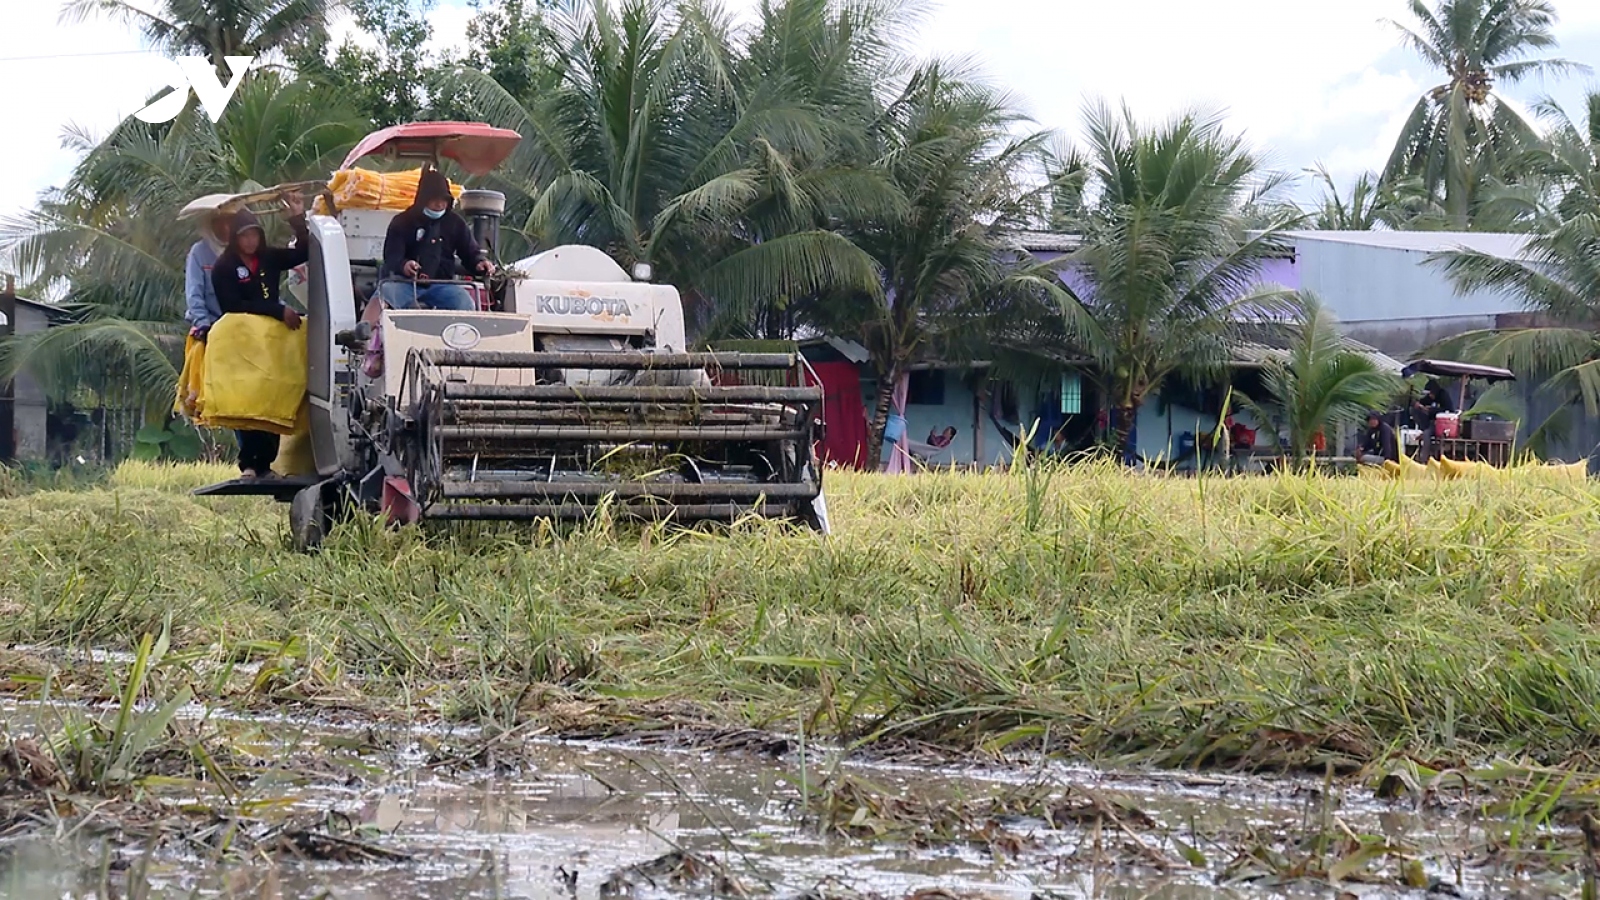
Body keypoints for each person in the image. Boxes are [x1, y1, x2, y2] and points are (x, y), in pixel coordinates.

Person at [211, 192, 309, 478]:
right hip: (241, 342)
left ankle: (266, 463)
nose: (251, 241)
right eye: (245, 236)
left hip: (270, 343)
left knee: (273, 396)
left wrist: (297, 219)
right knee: (247, 399)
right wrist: (277, 311)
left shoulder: (268, 257)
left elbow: (302, 253)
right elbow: (232, 306)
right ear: (235, 239)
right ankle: (249, 463)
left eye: (255, 235)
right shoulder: (224, 267)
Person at [379, 167, 495, 311]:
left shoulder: (455, 223)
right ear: (423, 200)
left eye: (444, 200)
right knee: (387, 295)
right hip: (405, 284)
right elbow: (391, 256)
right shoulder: (402, 221)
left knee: (465, 303)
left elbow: (469, 251)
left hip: (443, 285)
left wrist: (479, 262)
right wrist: (404, 265)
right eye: (434, 200)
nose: (440, 204)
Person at [184, 210, 232, 340]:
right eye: (218, 221)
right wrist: (203, 325)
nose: (225, 227)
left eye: (229, 220)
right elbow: (194, 293)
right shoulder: (199, 252)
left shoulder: (241, 250)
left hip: (238, 327)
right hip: (211, 326)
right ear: (208, 225)